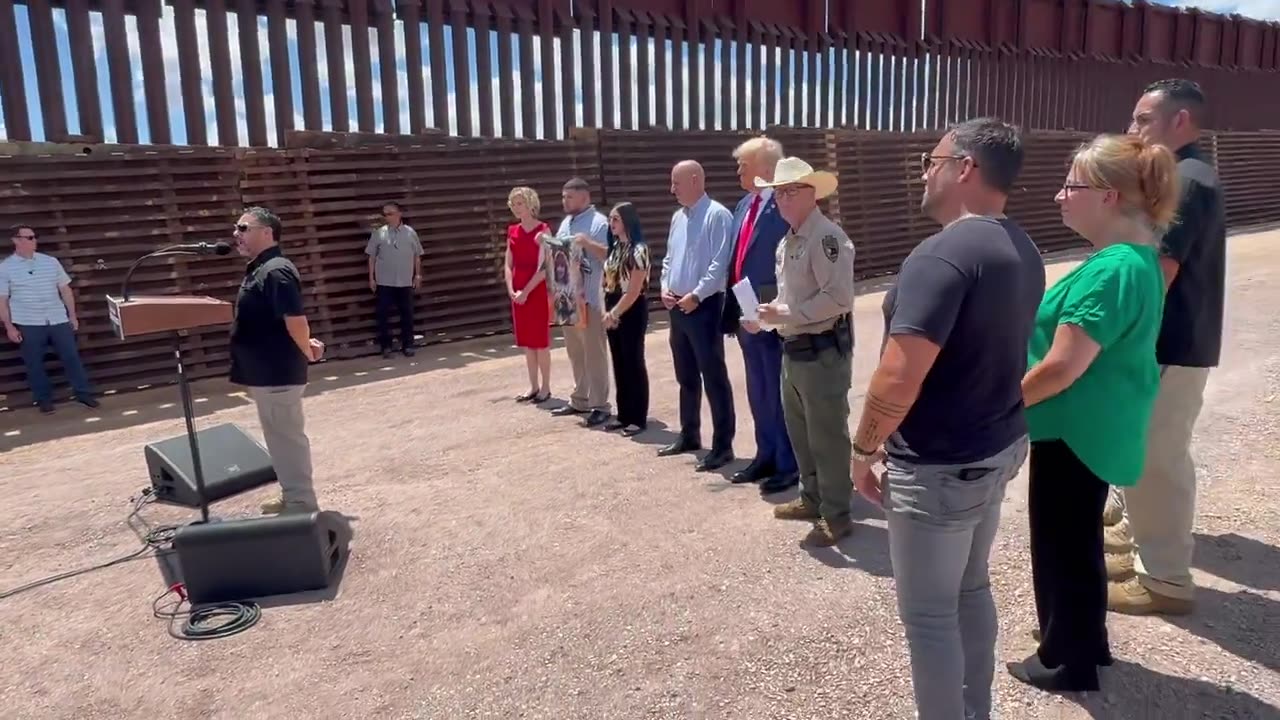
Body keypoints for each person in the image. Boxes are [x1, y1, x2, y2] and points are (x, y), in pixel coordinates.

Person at [851, 118, 1045, 720]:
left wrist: (862, 451)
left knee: (930, 617)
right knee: (970, 588)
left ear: (964, 167)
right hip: (996, 448)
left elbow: (898, 374)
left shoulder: (942, 254)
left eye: (931, 161)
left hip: (940, 465)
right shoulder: (1021, 245)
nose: (924, 173)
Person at [1008, 135, 1175, 693]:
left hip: (1073, 427)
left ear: (1107, 196)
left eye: (1071, 185)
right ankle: (1085, 643)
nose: (1059, 196)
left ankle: (1066, 659)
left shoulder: (1113, 269)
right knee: (1076, 541)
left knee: (1062, 544)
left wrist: (1001, 405)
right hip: (1094, 427)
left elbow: (1061, 367)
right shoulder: (1133, 260)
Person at [1105, 78, 1227, 616]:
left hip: (1170, 343)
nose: (1132, 130)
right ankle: (1140, 538)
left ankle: (1166, 579)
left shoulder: (1186, 179)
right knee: (1149, 451)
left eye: (1142, 120)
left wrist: (1115, 334)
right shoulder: (1187, 174)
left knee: (1158, 457)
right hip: (1173, 341)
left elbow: (1161, 271)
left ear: (1180, 122)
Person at [752, 158, 855, 546]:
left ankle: (837, 512)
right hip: (793, 347)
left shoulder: (826, 238)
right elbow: (788, 297)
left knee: (827, 435)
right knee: (801, 433)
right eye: (778, 192)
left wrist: (788, 313)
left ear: (812, 194)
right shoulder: (787, 240)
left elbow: (839, 297)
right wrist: (766, 316)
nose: (781, 199)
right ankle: (812, 498)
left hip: (822, 350)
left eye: (790, 191)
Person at [230, 207, 326, 515]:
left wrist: (306, 348)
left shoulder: (276, 270)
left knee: (287, 440)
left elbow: (295, 319)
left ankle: (301, 503)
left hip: (277, 372)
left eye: (243, 228)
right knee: (279, 438)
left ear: (267, 232)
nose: (236, 234)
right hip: (266, 373)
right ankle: (292, 496)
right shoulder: (262, 268)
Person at [722, 137, 799, 494]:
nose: (738, 170)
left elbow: (793, 265)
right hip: (745, 310)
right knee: (757, 388)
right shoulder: (743, 205)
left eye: (744, 165)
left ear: (766, 169)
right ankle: (765, 454)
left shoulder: (784, 205)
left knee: (779, 389)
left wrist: (777, 308)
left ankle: (787, 463)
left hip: (773, 312)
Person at [659, 160, 736, 471]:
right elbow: (668, 258)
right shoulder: (678, 218)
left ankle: (722, 446)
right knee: (685, 376)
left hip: (703, 307)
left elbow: (720, 263)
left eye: (676, 183)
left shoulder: (717, 215)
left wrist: (697, 295)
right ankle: (689, 434)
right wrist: (665, 286)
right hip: (677, 306)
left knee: (713, 376)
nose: (672, 189)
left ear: (694, 180)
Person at [0, 224, 99, 414]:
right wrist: (9, 327)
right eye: (28, 237)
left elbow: (65, 290)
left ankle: (83, 393)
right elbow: (2, 300)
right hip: (28, 321)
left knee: (71, 357)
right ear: (16, 240)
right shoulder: (5, 268)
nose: (33, 240)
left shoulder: (50, 262)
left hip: (57, 318)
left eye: (34, 237)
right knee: (34, 362)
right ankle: (44, 400)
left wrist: (72, 315)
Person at [549, 178, 612, 427]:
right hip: (568, 299)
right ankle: (580, 399)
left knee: (594, 353)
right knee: (575, 352)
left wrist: (588, 243)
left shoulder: (599, 223)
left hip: (590, 298)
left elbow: (610, 254)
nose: (565, 201)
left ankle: (600, 405)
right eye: (563, 197)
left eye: (570, 197)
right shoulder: (566, 223)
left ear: (585, 197)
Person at [601, 202, 651, 435]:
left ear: (627, 221)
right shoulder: (615, 249)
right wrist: (607, 311)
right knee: (619, 362)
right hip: (613, 304)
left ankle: (637, 417)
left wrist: (615, 313)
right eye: (610, 219)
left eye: (616, 219)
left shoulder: (638, 250)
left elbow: (633, 290)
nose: (611, 224)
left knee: (633, 362)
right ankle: (623, 414)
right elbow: (608, 283)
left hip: (630, 307)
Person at [505, 186, 552, 403]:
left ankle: (546, 387)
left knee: (540, 341)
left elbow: (545, 267)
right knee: (526, 343)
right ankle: (532, 385)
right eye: (513, 204)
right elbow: (508, 263)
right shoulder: (512, 230)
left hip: (535, 290)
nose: (516, 208)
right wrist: (512, 290)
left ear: (531, 204)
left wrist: (525, 291)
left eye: (520, 203)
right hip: (517, 290)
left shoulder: (544, 230)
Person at [365, 201, 422, 358]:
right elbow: (371, 257)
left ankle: (408, 345)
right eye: (385, 214)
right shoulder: (378, 233)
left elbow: (417, 255)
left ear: (399, 214)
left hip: (405, 281)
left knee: (407, 314)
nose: (387, 217)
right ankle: (386, 347)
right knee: (383, 314)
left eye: (390, 213)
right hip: (385, 281)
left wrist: (418, 275)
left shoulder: (410, 233)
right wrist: (372, 278)